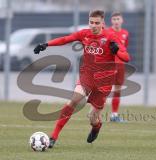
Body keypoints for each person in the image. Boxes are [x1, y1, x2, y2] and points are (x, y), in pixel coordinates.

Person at [33, 10, 130, 148]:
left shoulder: (111, 36)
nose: (94, 25)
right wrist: (46, 44)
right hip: (87, 76)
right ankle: (54, 137)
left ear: (103, 23)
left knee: (93, 118)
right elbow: (65, 39)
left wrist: (116, 51)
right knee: (73, 100)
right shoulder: (84, 34)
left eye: (97, 23)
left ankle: (96, 127)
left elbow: (126, 57)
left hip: (104, 81)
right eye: (91, 22)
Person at [107, 12, 129, 122]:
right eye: (114, 19)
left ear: (122, 20)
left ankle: (114, 115)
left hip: (120, 65)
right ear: (111, 21)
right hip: (108, 65)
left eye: (118, 19)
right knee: (103, 89)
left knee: (117, 90)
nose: (116, 21)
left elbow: (124, 49)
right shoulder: (107, 32)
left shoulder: (125, 33)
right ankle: (94, 112)